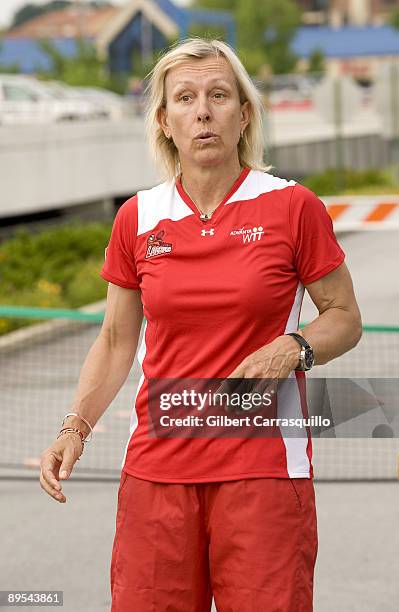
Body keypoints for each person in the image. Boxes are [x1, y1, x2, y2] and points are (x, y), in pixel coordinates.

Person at [39, 37, 363, 611]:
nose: (203, 111)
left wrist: (293, 346)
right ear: (165, 121)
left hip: (263, 473)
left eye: (218, 95)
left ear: (244, 115)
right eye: (185, 98)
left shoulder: (292, 207)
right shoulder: (137, 218)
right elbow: (116, 341)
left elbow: (343, 318)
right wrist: (74, 427)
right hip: (157, 472)